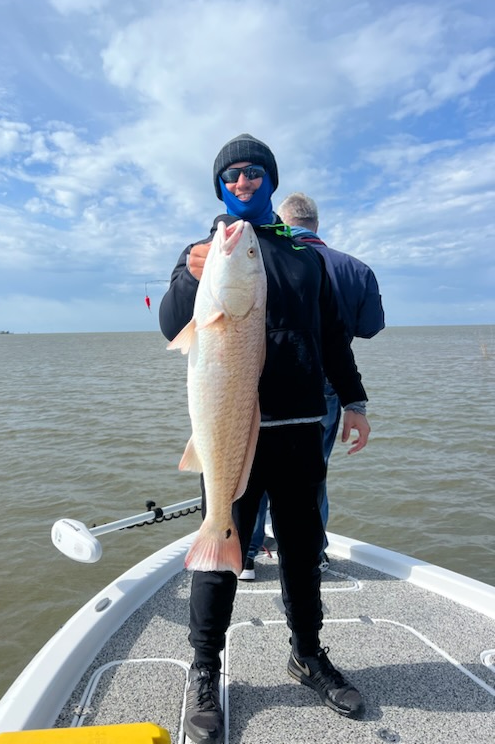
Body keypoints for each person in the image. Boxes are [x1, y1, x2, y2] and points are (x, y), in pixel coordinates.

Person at [159, 133, 371, 743]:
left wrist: (352, 401)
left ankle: (307, 653)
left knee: (303, 551)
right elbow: (174, 323)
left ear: (272, 182)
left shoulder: (302, 254)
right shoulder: (203, 253)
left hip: (301, 428)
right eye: (232, 176)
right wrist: (189, 275)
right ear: (221, 188)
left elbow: (333, 335)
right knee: (220, 550)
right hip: (229, 435)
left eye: (254, 173)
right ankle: (204, 669)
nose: (243, 182)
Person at [277, 193, 385, 570]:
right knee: (313, 470)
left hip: (274, 378)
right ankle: (314, 552)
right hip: (329, 380)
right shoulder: (357, 269)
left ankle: (248, 551)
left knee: (255, 463)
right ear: (316, 225)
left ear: (282, 219)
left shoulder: (273, 260)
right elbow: (370, 328)